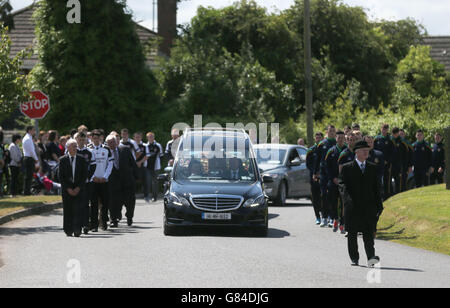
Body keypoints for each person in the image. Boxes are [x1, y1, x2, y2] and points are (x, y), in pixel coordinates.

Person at [339, 140, 383, 267]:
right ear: (357, 152)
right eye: (364, 151)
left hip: (368, 207)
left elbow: (376, 188)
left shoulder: (372, 168)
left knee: (368, 234)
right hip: (352, 206)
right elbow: (342, 185)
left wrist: (378, 205)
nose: (366, 153)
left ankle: (371, 258)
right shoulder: (347, 168)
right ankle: (354, 258)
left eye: (368, 151)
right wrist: (347, 199)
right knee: (352, 234)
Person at [107, 134, 138, 227]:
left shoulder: (125, 149)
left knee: (130, 202)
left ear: (116, 142)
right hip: (113, 182)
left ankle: (129, 217)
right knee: (113, 202)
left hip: (127, 181)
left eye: (112, 142)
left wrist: (136, 177)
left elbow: (133, 163)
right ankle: (113, 219)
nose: (111, 144)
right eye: (109, 143)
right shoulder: (105, 152)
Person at [59, 139, 88, 237]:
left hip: (78, 189)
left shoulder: (82, 159)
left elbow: (84, 175)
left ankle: (77, 229)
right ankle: (68, 229)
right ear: (68, 148)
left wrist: (78, 187)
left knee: (78, 209)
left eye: (76, 146)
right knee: (68, 209)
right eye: (73, 146)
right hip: (67, 190)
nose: (75, 148)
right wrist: (68, 188)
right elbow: (61, 176)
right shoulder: (63, 160)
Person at [89, 130, 113, 231]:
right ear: (91, 138)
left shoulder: (106, 149)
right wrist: (93, 177)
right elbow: (88, 166)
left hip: (104, 181)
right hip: (93, 181)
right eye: (94, 138)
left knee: (105, 203)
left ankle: (103, 223)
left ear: (100, 138)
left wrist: (105, 176)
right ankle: (94, 225)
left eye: (97, 138)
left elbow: (110, 164)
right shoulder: (88, 149)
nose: (96, 140)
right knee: (94, 203)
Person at [314, 125, 337, 228]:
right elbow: (317, 160)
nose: (332, 132)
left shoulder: (337, 143)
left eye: (333, 131)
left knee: (332, 195)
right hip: (323, 173)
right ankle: (324, 217)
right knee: (323, 195)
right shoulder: (322, 144)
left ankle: (332, 217)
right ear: (327, 132)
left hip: (333, 174)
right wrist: (315, 172)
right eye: (330, 131)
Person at [325, 131, 347, 232]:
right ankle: (335, 218)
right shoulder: (331, 151)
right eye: (339, 137)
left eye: (343, 137)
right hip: (333, 181)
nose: (341, 139)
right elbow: (327, 166)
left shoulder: (347, 151)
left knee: (343, 202)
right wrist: (333, 178)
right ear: (336, 138)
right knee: (332, 201)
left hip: (344, 182)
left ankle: (342, 222)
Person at [75, 132, 96, 234]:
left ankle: (86, 224)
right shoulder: (72, 151)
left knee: (85, 203)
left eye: (83, 140)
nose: (81, 142)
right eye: (79, 140)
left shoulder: (89, 152)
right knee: (76, 204)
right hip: (75, 182)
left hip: (86, 182)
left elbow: (93, 166)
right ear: (76, 140)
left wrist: (88, 177)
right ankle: (77, 223)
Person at [306, 132, 324, 225]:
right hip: (313, 177)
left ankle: (324, 214)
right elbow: (308, 164)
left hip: (323, 177)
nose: (318, 139)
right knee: (315, 197)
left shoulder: (325, 149)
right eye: (316, 138)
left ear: (323, 138)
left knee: (324, 197)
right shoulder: (310, 150)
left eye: (319, 137)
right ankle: (317, 216)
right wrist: (315, 173)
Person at [374, 124, 394, 200]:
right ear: (380, 129)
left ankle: (387, 197)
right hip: (377, 163)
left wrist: (387, 161)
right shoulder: (376, 139)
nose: (384, 130)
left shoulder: (390, 140)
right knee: (378, 180)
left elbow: (392, 152)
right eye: (383, 129)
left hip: (387, 164)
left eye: (386, 129)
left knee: (387, 181)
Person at [144, 132, 163, 203]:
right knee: (148, 182)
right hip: (147, 167)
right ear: (147, 138)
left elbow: (161, 156)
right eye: (149, 137)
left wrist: (158, 163)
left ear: (154, 137)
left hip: (156, 167)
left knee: (155, 182)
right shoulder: (145, 146)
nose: (150, 138)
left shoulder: (158, 145)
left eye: (152, 136)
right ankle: (147, 196)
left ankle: (155, 197)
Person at [390, 127, 410, 194]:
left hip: (401, 166)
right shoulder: (390, 141)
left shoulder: (403, 142)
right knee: (392, 184)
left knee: (400, 184)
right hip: (392, 166)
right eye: (394, 133)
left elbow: (406, 156)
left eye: (396, 133)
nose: (395, 135)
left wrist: (407, 166)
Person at [22, 126, 39, 196]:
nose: (34, 132)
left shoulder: (27, 138)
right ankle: (27, 192)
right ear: (29, 130)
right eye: (33, 130)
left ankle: (27, 191)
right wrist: (36, 159)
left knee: (28, 176)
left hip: (27, 157)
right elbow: (32, 151)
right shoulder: (28, 138)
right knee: (29, 176)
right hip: (29, 158)